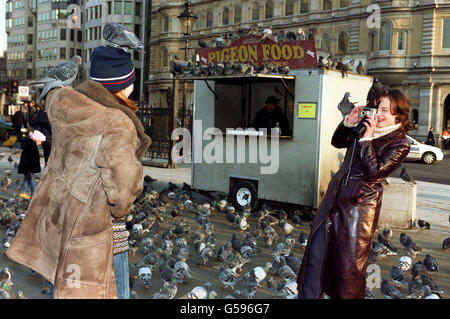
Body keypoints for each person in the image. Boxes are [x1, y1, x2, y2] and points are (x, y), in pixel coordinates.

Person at [6, 45, 151, 299]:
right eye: (131, 81)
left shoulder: (64, 104)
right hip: (93, 240)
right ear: (124, 84)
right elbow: (121, 194)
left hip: (58, 231)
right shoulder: (116, 123)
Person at [296, 88, 412, 299]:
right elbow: (338, 142)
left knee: (347, 270)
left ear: (398, 115)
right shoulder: (364, 127)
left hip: (358, 211)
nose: (379, 113)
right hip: (333, 201)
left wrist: (366, 139)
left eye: (386, 110)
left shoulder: (400, 143)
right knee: (315, 258)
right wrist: (349, 122)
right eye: (378, 108)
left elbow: (373, 173)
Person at [17, 130, 45, 200]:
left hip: (28, 167)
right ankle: (34, 193)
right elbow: (28, 158)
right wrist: (28, 169)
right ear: (37, 139)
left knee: (27, 179)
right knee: (32, 180)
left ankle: (23, 192)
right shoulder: (31, 145)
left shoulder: (30, 144)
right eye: (40, 141)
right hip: (29, 168)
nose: (40, 143)